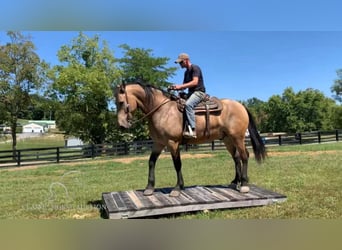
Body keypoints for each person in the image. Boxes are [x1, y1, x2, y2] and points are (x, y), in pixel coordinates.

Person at [171, 53, 206, 139]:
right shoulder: (186, 72)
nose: (180, 64)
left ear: (186, 61)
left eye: (181, 62)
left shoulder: (195, 68)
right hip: (190, 93)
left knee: (188, 105)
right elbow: (184, 86)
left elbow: (195, 82)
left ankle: (193, 130)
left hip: (199, 92)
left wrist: (181, 86)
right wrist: (175, 88)